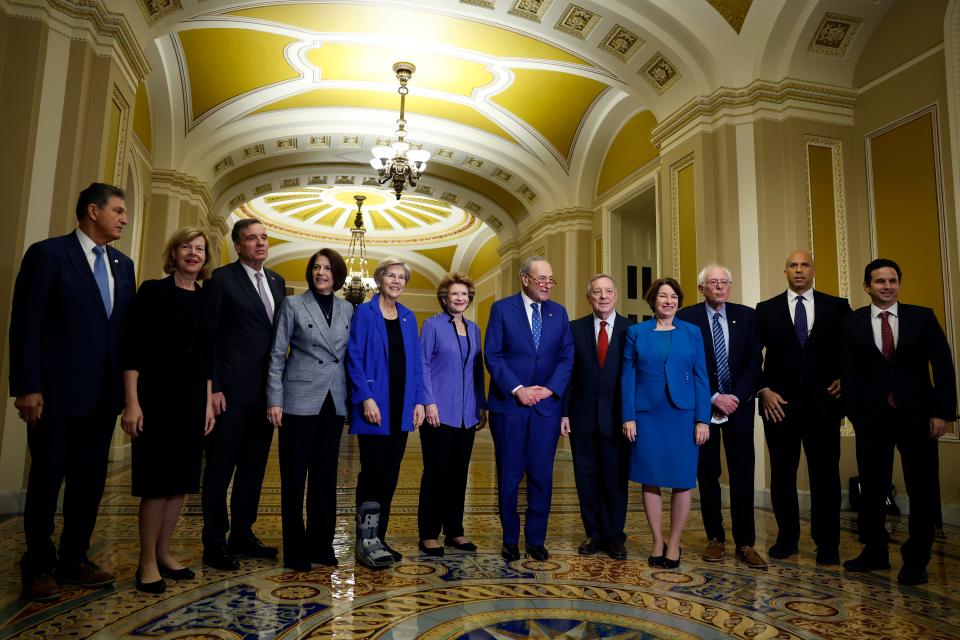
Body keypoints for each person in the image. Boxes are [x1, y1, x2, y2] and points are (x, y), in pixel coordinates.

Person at [9, 183, 135, 602]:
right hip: (55, 394)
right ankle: (38, 564)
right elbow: (26, 324)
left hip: (102, 396)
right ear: (92, 210)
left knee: (89, 481)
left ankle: (74, 558)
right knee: (46, 479)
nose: (124, 218)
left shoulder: (123, 265)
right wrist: (27, 386)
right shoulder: (48, 255)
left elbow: (122, 332)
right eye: (117, 210)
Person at [841, 258, 957, 585]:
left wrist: (942, 413)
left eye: (893, 280)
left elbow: (944, 367)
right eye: (880, 281)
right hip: (872, 419)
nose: (888, 286)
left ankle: (916, 558)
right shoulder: (852, 324)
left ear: (899, 284)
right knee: (873, 488)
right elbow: (848, 372)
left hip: (919, 418)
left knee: (922, 488)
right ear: (867, 286)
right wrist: (856, 414)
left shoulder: (922, 317)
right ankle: (875, 551)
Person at [121, 227, 216, 593]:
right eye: (186, 247)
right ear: (173, 252)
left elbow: (208, 357)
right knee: (157, 483)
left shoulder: (206, 299)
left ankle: (163, 551)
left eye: (200, 249)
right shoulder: (153, 291)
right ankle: (146, 559)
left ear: (205, 258)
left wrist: (207, 402)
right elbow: (133, 350)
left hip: (192, 400)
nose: (193, 254)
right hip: (155, 398)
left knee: (180, 484)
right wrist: (132, 402)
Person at [756, 250, 851, 565]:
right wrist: (763, 389)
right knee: (782, 474)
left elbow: (852, 350)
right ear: (785, 271)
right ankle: (787, 539)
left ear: (813, 270)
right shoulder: (765, 310)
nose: (799, 270)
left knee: (825, 476)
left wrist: (844, 377)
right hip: (778, 407)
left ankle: (828, 545)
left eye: (804, 265)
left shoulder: (837, 307)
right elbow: (750, 357)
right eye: (793, 265)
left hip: (823, 404)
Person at [202, 219, 286, 570]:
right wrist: (214, 386)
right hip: (230, 393)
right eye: (252, 239)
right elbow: (210, 336)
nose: (260, 243)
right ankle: (214, 541)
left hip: (265, 394)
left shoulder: (278, 282)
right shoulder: (221, 279)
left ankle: (242, 533)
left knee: (253, 468)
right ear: (238, 246)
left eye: (264, 237)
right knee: (220, 469)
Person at [266, 249, 353, 572]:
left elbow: (348, 359)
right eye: (316, 267)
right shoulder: (292, 305)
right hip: (297, 399)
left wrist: (352, 404)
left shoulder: (348, 309)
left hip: (334, 401)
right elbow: (276, 355)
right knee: (294, 477)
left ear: (337, 273)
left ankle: (322, 544)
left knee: (325, 477)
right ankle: (296, 549)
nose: (320, 273)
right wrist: (274, 400)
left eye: (327, 268)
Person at [484, 256, 574, 562]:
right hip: (509, 407)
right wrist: (518, 389)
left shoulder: (559, 313)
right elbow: (493, 355)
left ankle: (536, 539)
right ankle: (510, 538)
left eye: (551, 279)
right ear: (525, 279)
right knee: (509, 476)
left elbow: (566, 358)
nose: (548, 284)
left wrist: (549, 390)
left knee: (540, 475)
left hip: (546, 408)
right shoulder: (501, 309)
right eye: (542, 279)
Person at [677, 265, 766, 568]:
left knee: (742, 474)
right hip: (703, 408)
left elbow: (755, 363)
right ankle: (715, 538)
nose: (719, 287)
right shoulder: (687, 317)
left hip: (739, 407)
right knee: (708, 473)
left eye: (724, 282)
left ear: (730, 286)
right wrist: (714, 396)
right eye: (712, 283)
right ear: (701, 287)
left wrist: (735, 397)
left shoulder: (748, 316)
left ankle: (746, 544)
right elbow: (684, 365)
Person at [622, 278, 711, 568]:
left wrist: (702, 420)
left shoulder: (692, 332)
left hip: (683, 414)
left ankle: (674, 543)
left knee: (682, 480)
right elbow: (628, 377)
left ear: (679, 301)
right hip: (647, 414)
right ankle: (657, 540)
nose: (668, 301)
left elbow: (701, 377)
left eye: (673, 296)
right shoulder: (636, 332)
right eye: (663, 296)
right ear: (653, 300)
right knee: (650, 478)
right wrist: (628, 416)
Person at [347, 258, 425, 569]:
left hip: (401, 408)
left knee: (391, 476)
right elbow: (353, 355)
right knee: (372, 473)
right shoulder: (365, 312)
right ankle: (364, 540)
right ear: (379, 280)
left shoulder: (408, 317)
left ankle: (379, 537)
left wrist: (418, 401)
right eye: (390, 276)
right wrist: (365, 397)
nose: (395, 281)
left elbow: (416, 363)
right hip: (375, 407)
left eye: (401, 277)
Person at [561, 274, 633, 560]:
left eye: (607, 291)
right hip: (583, 417)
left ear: (615, 295)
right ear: (588, 297)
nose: (602, 297)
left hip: (619, 418)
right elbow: (566, 373)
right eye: (596, 292)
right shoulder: (574, 329)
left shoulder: (631, 330)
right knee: (586, 478)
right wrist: (564, 412)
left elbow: (636, 376)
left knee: (615, 479)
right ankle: (593, 534)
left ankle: (615, 536)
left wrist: (633, 415)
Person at [417, 272, 487, 557]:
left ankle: (455, 531)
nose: (460, 298)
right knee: (436, 473)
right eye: (454, 294)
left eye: (464, 294)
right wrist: (428, 402)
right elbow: (422, 365)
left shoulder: (474, 329)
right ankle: (429, 533)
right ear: (444, 297)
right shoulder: (432, 325)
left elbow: (477, 370)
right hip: (438, 413)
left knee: (459, 474)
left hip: (467, 414)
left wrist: (481, 404)